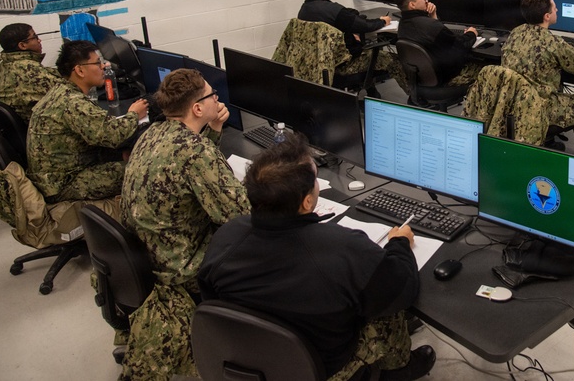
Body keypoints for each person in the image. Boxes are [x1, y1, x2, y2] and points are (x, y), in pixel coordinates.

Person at [198, 132, 435, 381]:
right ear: (307, 201)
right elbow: (401, 290)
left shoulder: (226, 238)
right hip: (319, 368)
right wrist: (399, 244)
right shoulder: (343, 249)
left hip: (248, 360)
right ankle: (397, 370)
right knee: (382, 304)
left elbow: (214, 303)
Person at [120, 68, 250, 381]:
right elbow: (241, 215)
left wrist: (214, 130)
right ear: (197, 108)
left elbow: (184, 166)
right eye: (212, 95)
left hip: (148, 254)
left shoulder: (152, 132)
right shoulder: (196, 152)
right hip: (182, 268)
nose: (216, 99)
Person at [27, 40, 148, 202]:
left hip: (55, 178)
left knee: (125, 155)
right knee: (144, 168)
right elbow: (113, 136)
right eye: (98, 63)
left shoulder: (61, 91)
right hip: (66, 184)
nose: (103, 67)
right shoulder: (73, 103)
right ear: (80, 70)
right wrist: (134, 113)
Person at [501, 0, 574, 157]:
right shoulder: (553, 42)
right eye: (554, 7)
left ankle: (548, 141)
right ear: (547, 16)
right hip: (537, 109)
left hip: (510, 104)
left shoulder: (515, 33)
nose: (556, 10)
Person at [298, 0, 408, 92]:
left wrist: (349, 34)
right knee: (393, 60)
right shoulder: (332, 10)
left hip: (319, 67)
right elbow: (365, 26)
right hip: (344, 66)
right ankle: (416, 100)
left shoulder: (303, 11)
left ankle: (372, 92)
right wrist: (382, 21)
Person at [394, 0, 482, 87]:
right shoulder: (431, 26)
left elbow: (433, 36)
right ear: (412, 5)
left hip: (422, 79)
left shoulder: (403, 24)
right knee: (484, 66)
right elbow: (461, 45)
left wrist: (433, 16)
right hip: (446, 78)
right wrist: (472, 33)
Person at [0, 23, 61, 123]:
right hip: (39, 126)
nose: (39, 40)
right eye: (35, 37)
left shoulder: (8, 63)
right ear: (22, 45)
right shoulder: (27, 69)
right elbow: (66, 92)